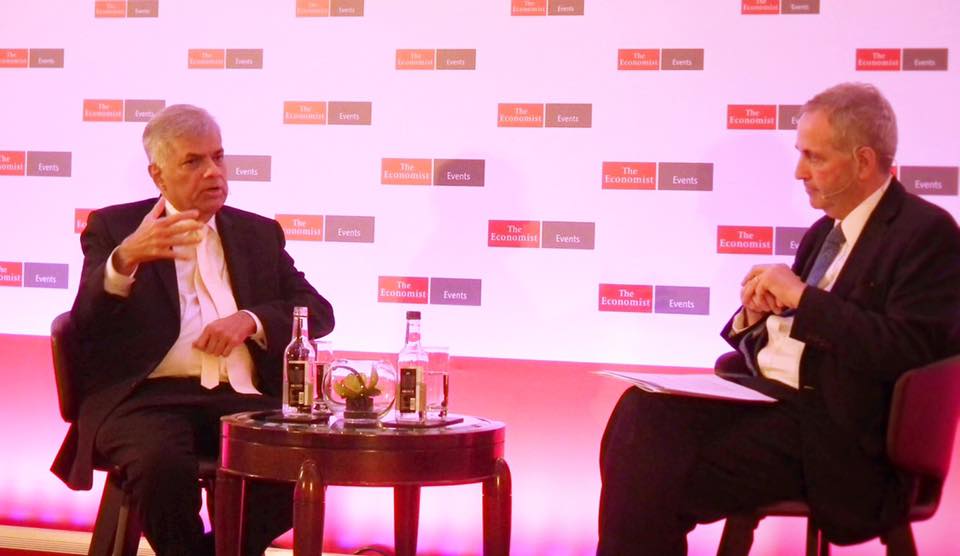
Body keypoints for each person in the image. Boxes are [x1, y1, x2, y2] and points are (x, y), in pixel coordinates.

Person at [597, 83, 960, 554]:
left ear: (864, 161)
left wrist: (803, 299)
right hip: (777, 406)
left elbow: (909, 351)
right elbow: (802, 331)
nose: (799, 172)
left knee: (647, 475)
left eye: (814, 157)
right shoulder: (823, 232)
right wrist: (756, 317)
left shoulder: (926, 233)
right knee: (641, 411)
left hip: (841, 436)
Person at [51, 104, 334, 556]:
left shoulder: (258, 234)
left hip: (243, 399)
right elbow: (85, 324)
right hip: (145, 400)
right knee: (160, 465)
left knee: (303, 458)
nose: (212, 172)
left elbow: (317, 311)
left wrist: (251, 320)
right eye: (193, 161)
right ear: (158, 175)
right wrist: (124, 260)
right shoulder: (117, 228)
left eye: (218, 157)